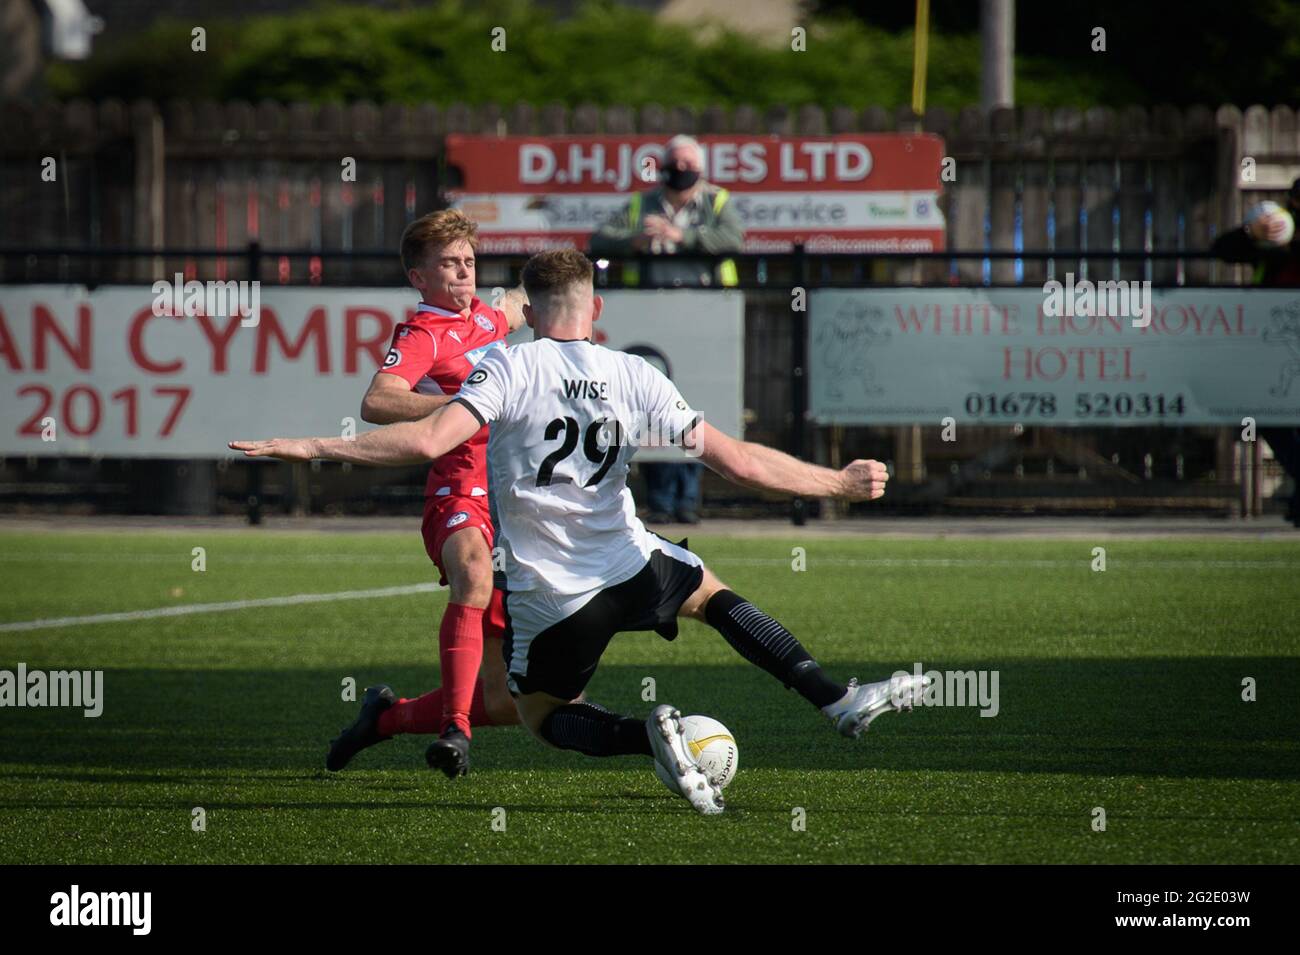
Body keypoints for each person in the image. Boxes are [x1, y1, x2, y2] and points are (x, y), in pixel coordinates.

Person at [231, 249, 927, 816]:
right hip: (632, 564)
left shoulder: (506, 364)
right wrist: (836, 482)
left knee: (538, 714)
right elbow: (739, 461)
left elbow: (424, 441)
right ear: (595, 309)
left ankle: (644, 737)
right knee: (709, 592)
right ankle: (834, 696)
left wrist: (311, 443)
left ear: (527, 314)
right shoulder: (634, 373)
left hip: (554, 595)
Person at [331, 209, 527, 779]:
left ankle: (384, 720)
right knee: (472, 569)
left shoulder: (489, 318)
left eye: (468, 261)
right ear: (419, 276)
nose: (464, 271)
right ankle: (454, 731)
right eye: (449, 263)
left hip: (516, 505)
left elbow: (520, 299)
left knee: (510, 703)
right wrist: (465, 404)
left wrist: (566, 277)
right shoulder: (422, 334)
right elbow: (378, 402)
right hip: (458, 490)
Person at [591, 134, 746, 525]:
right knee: (654, 404)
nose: (679, 171)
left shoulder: (717, 202)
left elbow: (734, 240)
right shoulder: (641, 204)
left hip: (704, 315)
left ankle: (687, 501)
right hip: (652, 315)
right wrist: (638, 240)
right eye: (672, 164)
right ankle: (659, 501)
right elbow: (599, 240)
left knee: (696, 406)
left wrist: (683, 237)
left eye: (686, 164)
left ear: (700, 168)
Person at [1211, 180, 1300, 526]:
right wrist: (1253, 233)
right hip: (1277, 343)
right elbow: (1223, 248)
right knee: (1270, 416)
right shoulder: (1273, 225)